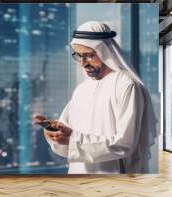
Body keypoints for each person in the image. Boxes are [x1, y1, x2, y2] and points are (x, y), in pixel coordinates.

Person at [33, 21, 158, 174]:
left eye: (88, 56)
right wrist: (54, 132)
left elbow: (124, 143)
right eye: (78, 56)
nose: (82, 63)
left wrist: (73, 140)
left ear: (105, 51)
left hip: (114, 181)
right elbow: (67, 133)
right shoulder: (81, 89)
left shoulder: (126, 85)